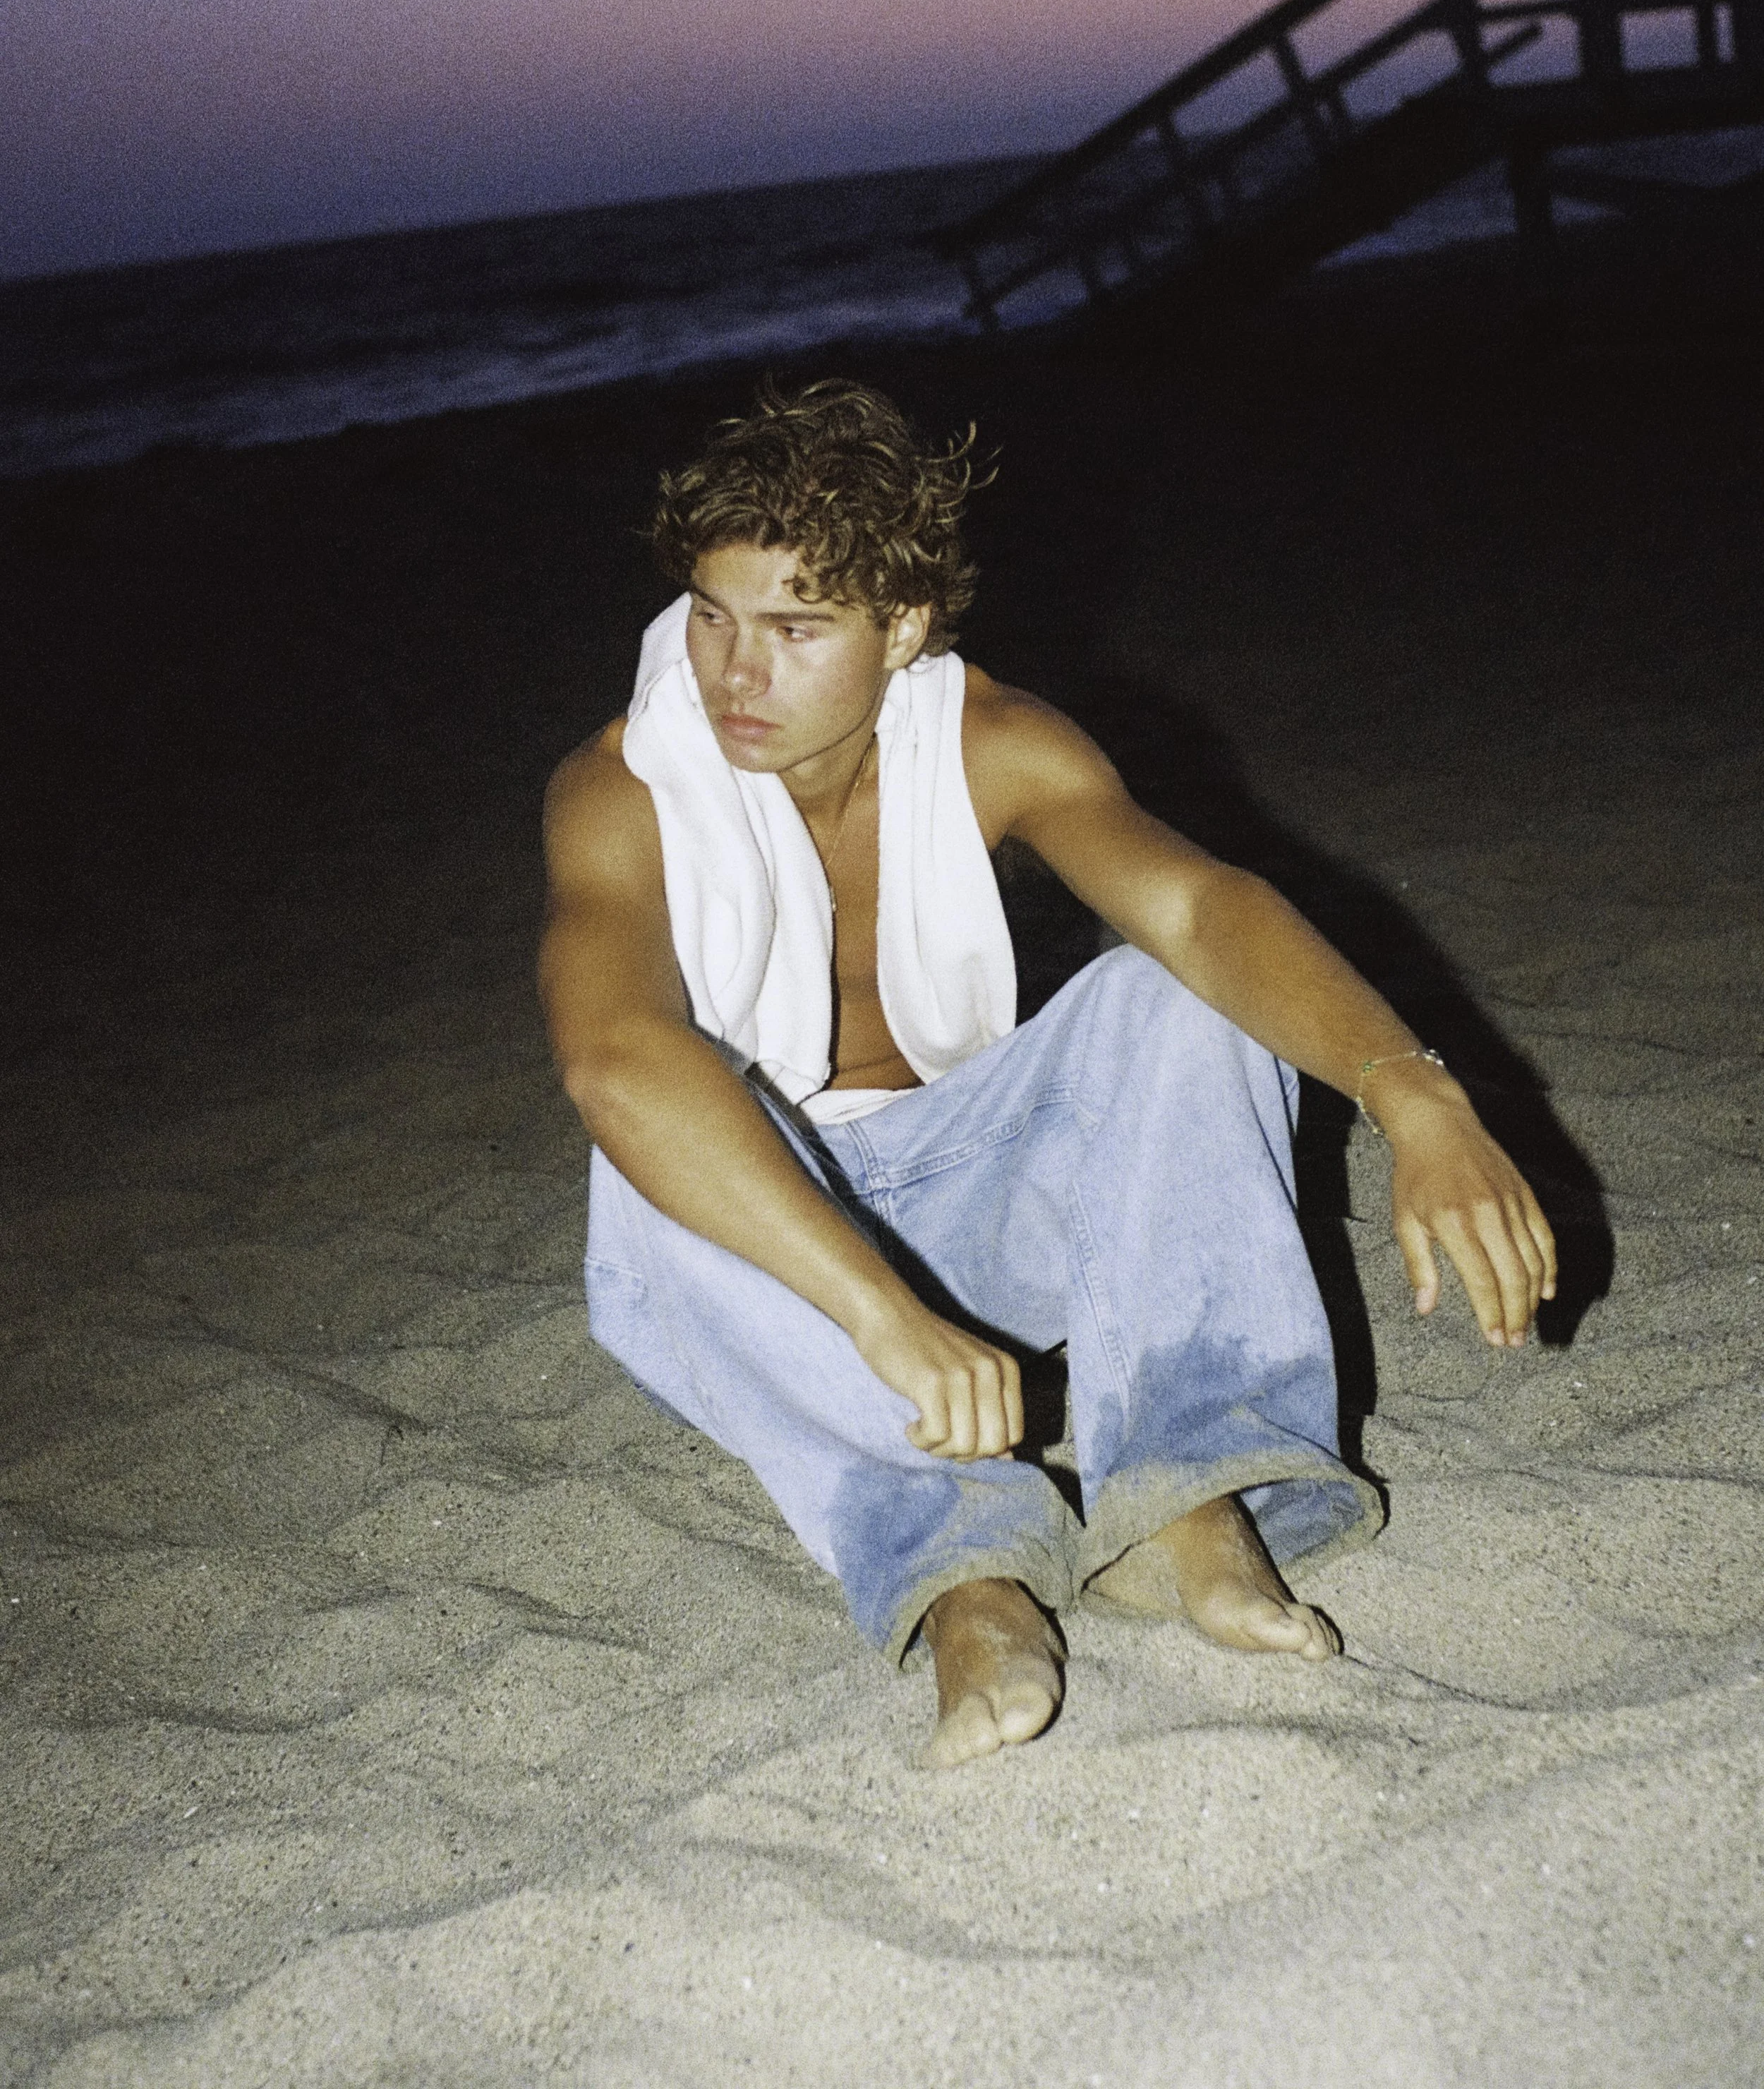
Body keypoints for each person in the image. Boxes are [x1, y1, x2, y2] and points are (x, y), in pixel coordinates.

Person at [539, 379, 1556, 1769]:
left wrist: (1415, 1094)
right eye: (711, 616)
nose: (732, 673)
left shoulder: (994, 740)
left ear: (902, 627)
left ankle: (1186, 1494)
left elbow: (1202, 911)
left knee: (1173, 996)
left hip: (975, 1196)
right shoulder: (623, 786)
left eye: (793, 628)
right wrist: (877, 1309)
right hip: (775, 1262)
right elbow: (610, 1052)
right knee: (646, 1137)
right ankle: (966, 1581)